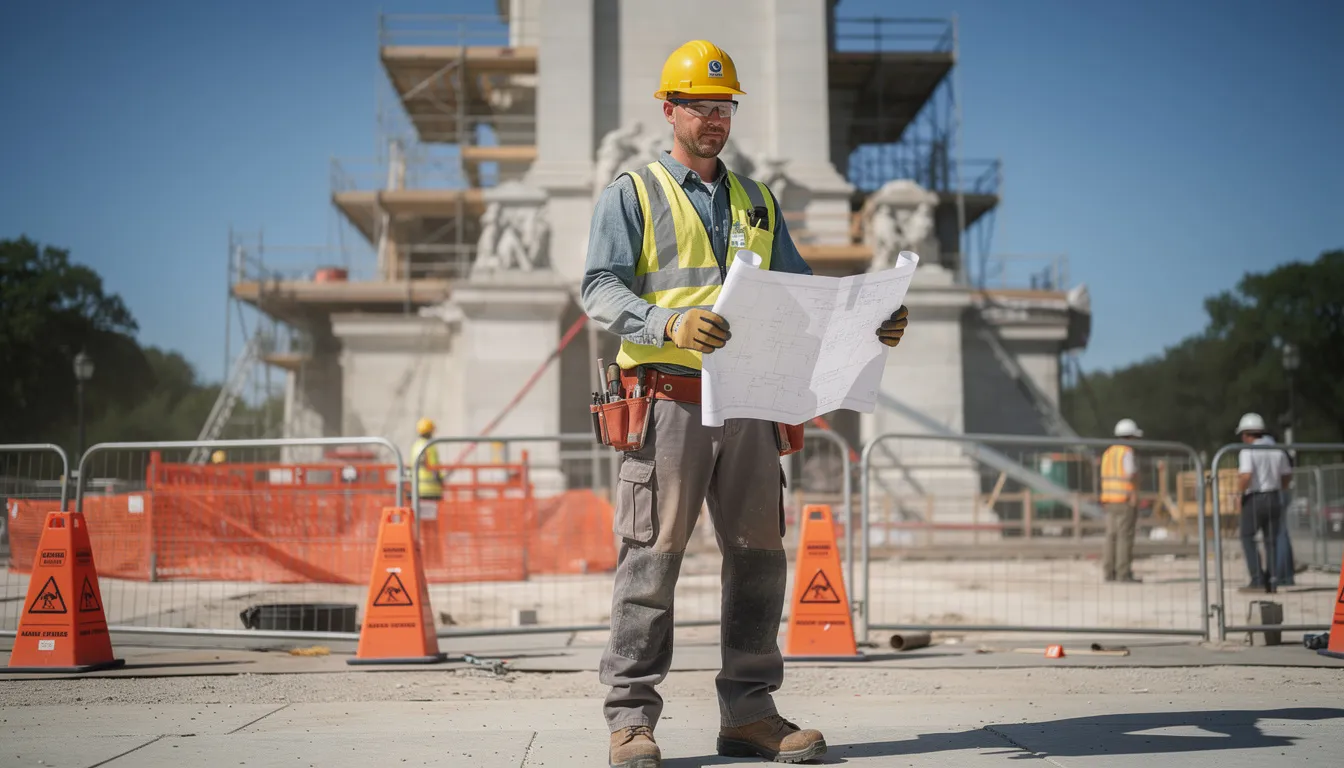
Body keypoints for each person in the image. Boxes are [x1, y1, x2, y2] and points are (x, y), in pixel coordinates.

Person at [580, 39, 910, 768]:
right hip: (668, 399)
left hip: (751, 403)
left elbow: (802, 302)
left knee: (760, 559)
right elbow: (599, 287)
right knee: (651, 559)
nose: (714, 118)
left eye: (724, 106)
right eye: (700, 105)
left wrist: (869, 326)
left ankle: (751, 715)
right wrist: (667, 323)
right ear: (669, 110)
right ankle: (631, 721)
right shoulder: (633, 194)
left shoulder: (757, 200)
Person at [1234, 412, 1293, 592]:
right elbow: (1287, 475)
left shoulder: (1248, 450)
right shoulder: (1277, 449)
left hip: (1255, 498)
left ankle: (1257, 579)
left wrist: (1238, 494)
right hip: (1275, 497)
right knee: (1271, 541)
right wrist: (1279, 489)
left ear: (1246, 434)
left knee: (1247, 537)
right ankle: (1272, 580)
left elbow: (1246, 475)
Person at [1100, 418, 1142, 583]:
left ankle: (1108, 572)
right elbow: (1131, 473)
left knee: (1111, 536)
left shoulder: (1108, 452)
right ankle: (1123, 573)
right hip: (1125, 499)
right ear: (1130, 436)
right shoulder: (1126, 452)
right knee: (1125, 537)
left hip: (1109, 500)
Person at [411, 417, 444, 502]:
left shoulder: (416, 445)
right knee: (430, 514)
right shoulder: (430, 445)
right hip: (431, 489)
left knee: (420, 514)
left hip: (417, 487)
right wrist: (440, 479)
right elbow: (433, 467)